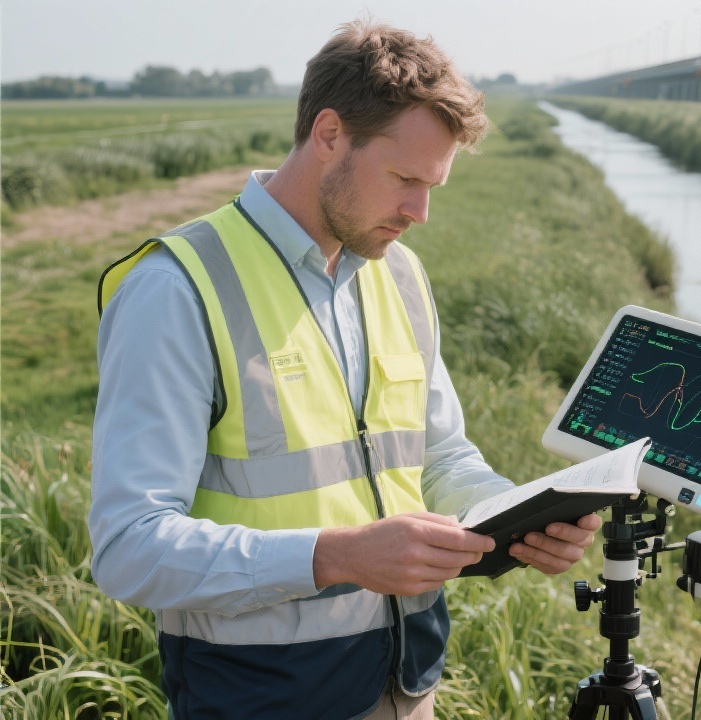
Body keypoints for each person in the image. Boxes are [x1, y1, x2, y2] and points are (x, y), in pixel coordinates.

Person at [89, 19, 602, 720]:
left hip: (407, 687)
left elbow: (439, 455)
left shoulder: (400, 275)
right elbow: (129, 547)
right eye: (404, 179)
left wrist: (519, 515)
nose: (420, 212)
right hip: (259, 700)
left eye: (434, 186)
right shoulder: (177, 290)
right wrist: (332, 556)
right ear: (329, 134)